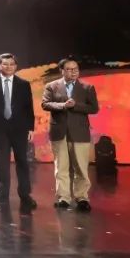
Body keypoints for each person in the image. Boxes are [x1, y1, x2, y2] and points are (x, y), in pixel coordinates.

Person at [41, 58, 99, 212]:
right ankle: (64, 198)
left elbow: (94, 108)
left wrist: (76, 106)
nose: (73, 72)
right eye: (69, 69)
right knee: (61, 167)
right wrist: (62, 105)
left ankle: (82, 198)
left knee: (81, 167)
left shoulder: (87, 87)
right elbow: (45, 104)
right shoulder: (51, 86)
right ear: (62, 71)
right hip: (59, 132)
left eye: (75, 69)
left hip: (80, 132)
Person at [0, 53, 36, 212]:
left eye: (12, 64)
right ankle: (2, 192)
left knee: (22, 161)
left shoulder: (23, 84)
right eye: (5, 64)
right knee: (2, 162)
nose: (8, 67)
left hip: (20, 129)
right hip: (0, 129)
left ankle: (25, 194)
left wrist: (31, 128)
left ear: (16, 66)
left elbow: (28, 107)